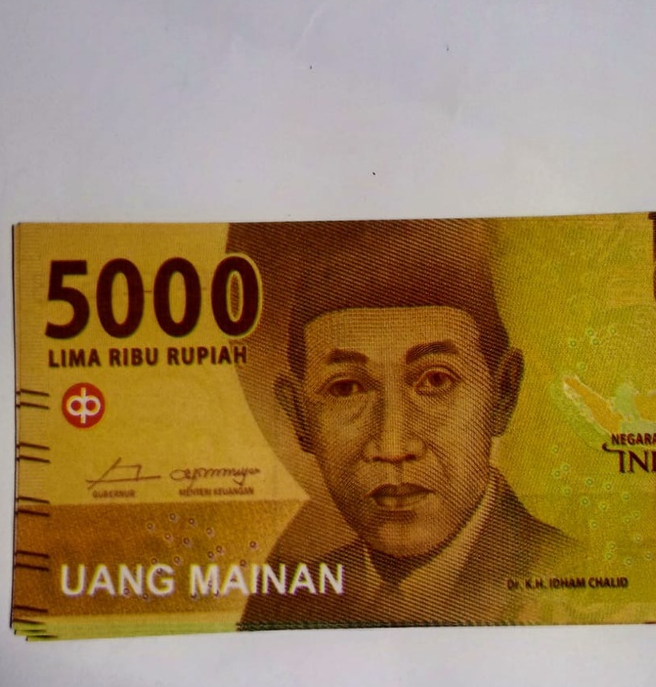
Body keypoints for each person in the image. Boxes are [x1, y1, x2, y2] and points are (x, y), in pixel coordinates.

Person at [240, 219, 575, 628]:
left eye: (435, 381)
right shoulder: (286, 604)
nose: (393, 446)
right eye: (346, 388)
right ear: (298, 415)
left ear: (502, 394)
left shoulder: (570, 576)